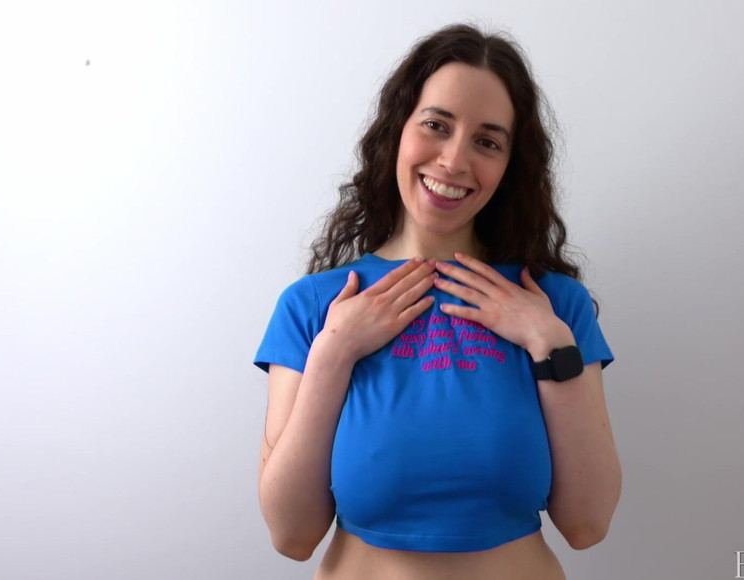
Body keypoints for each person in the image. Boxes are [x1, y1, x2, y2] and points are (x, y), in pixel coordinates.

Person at [254, 23, 622, 580]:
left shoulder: (553, 306)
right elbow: (292, 535)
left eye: (487, 142)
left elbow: (587, 524)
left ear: (510, 165)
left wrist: (550, 343)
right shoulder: (313, 306)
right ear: (398, 131)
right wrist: (333, 354)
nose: (453, 161)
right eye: (436, 125)